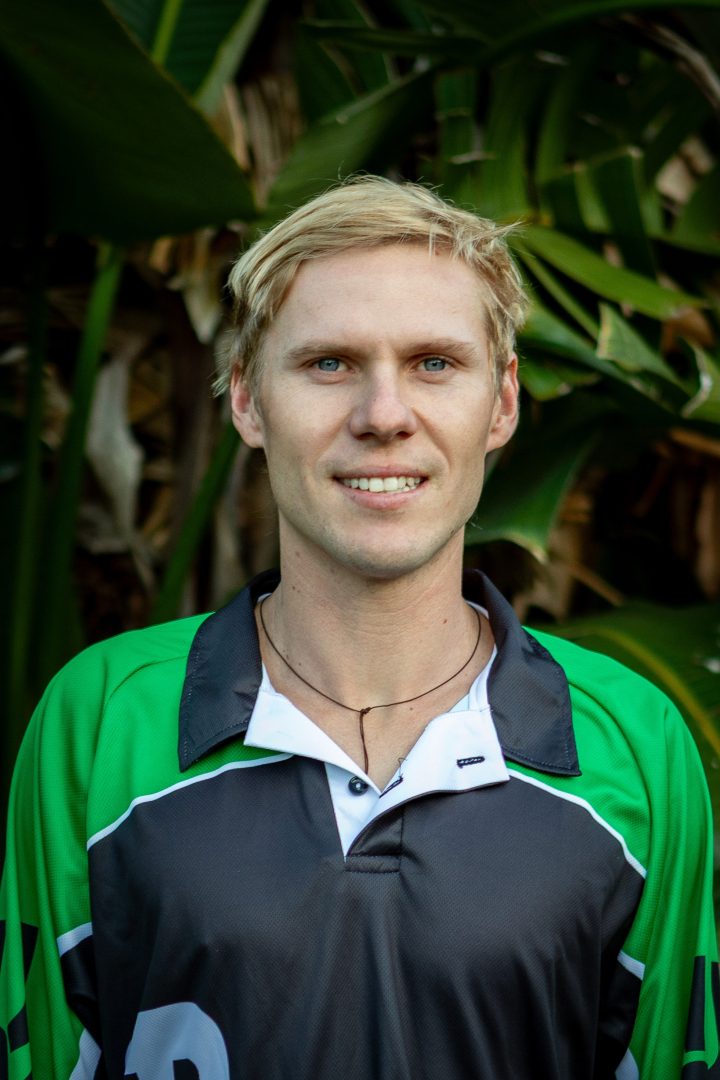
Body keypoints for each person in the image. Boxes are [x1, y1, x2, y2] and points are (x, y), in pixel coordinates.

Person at [1, 176, 717, 1079]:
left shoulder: (636, 745)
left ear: (501, 404)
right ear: (247, 401)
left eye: (434, 364)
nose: (384, 416)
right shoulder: (100, 719)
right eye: (329, 363)